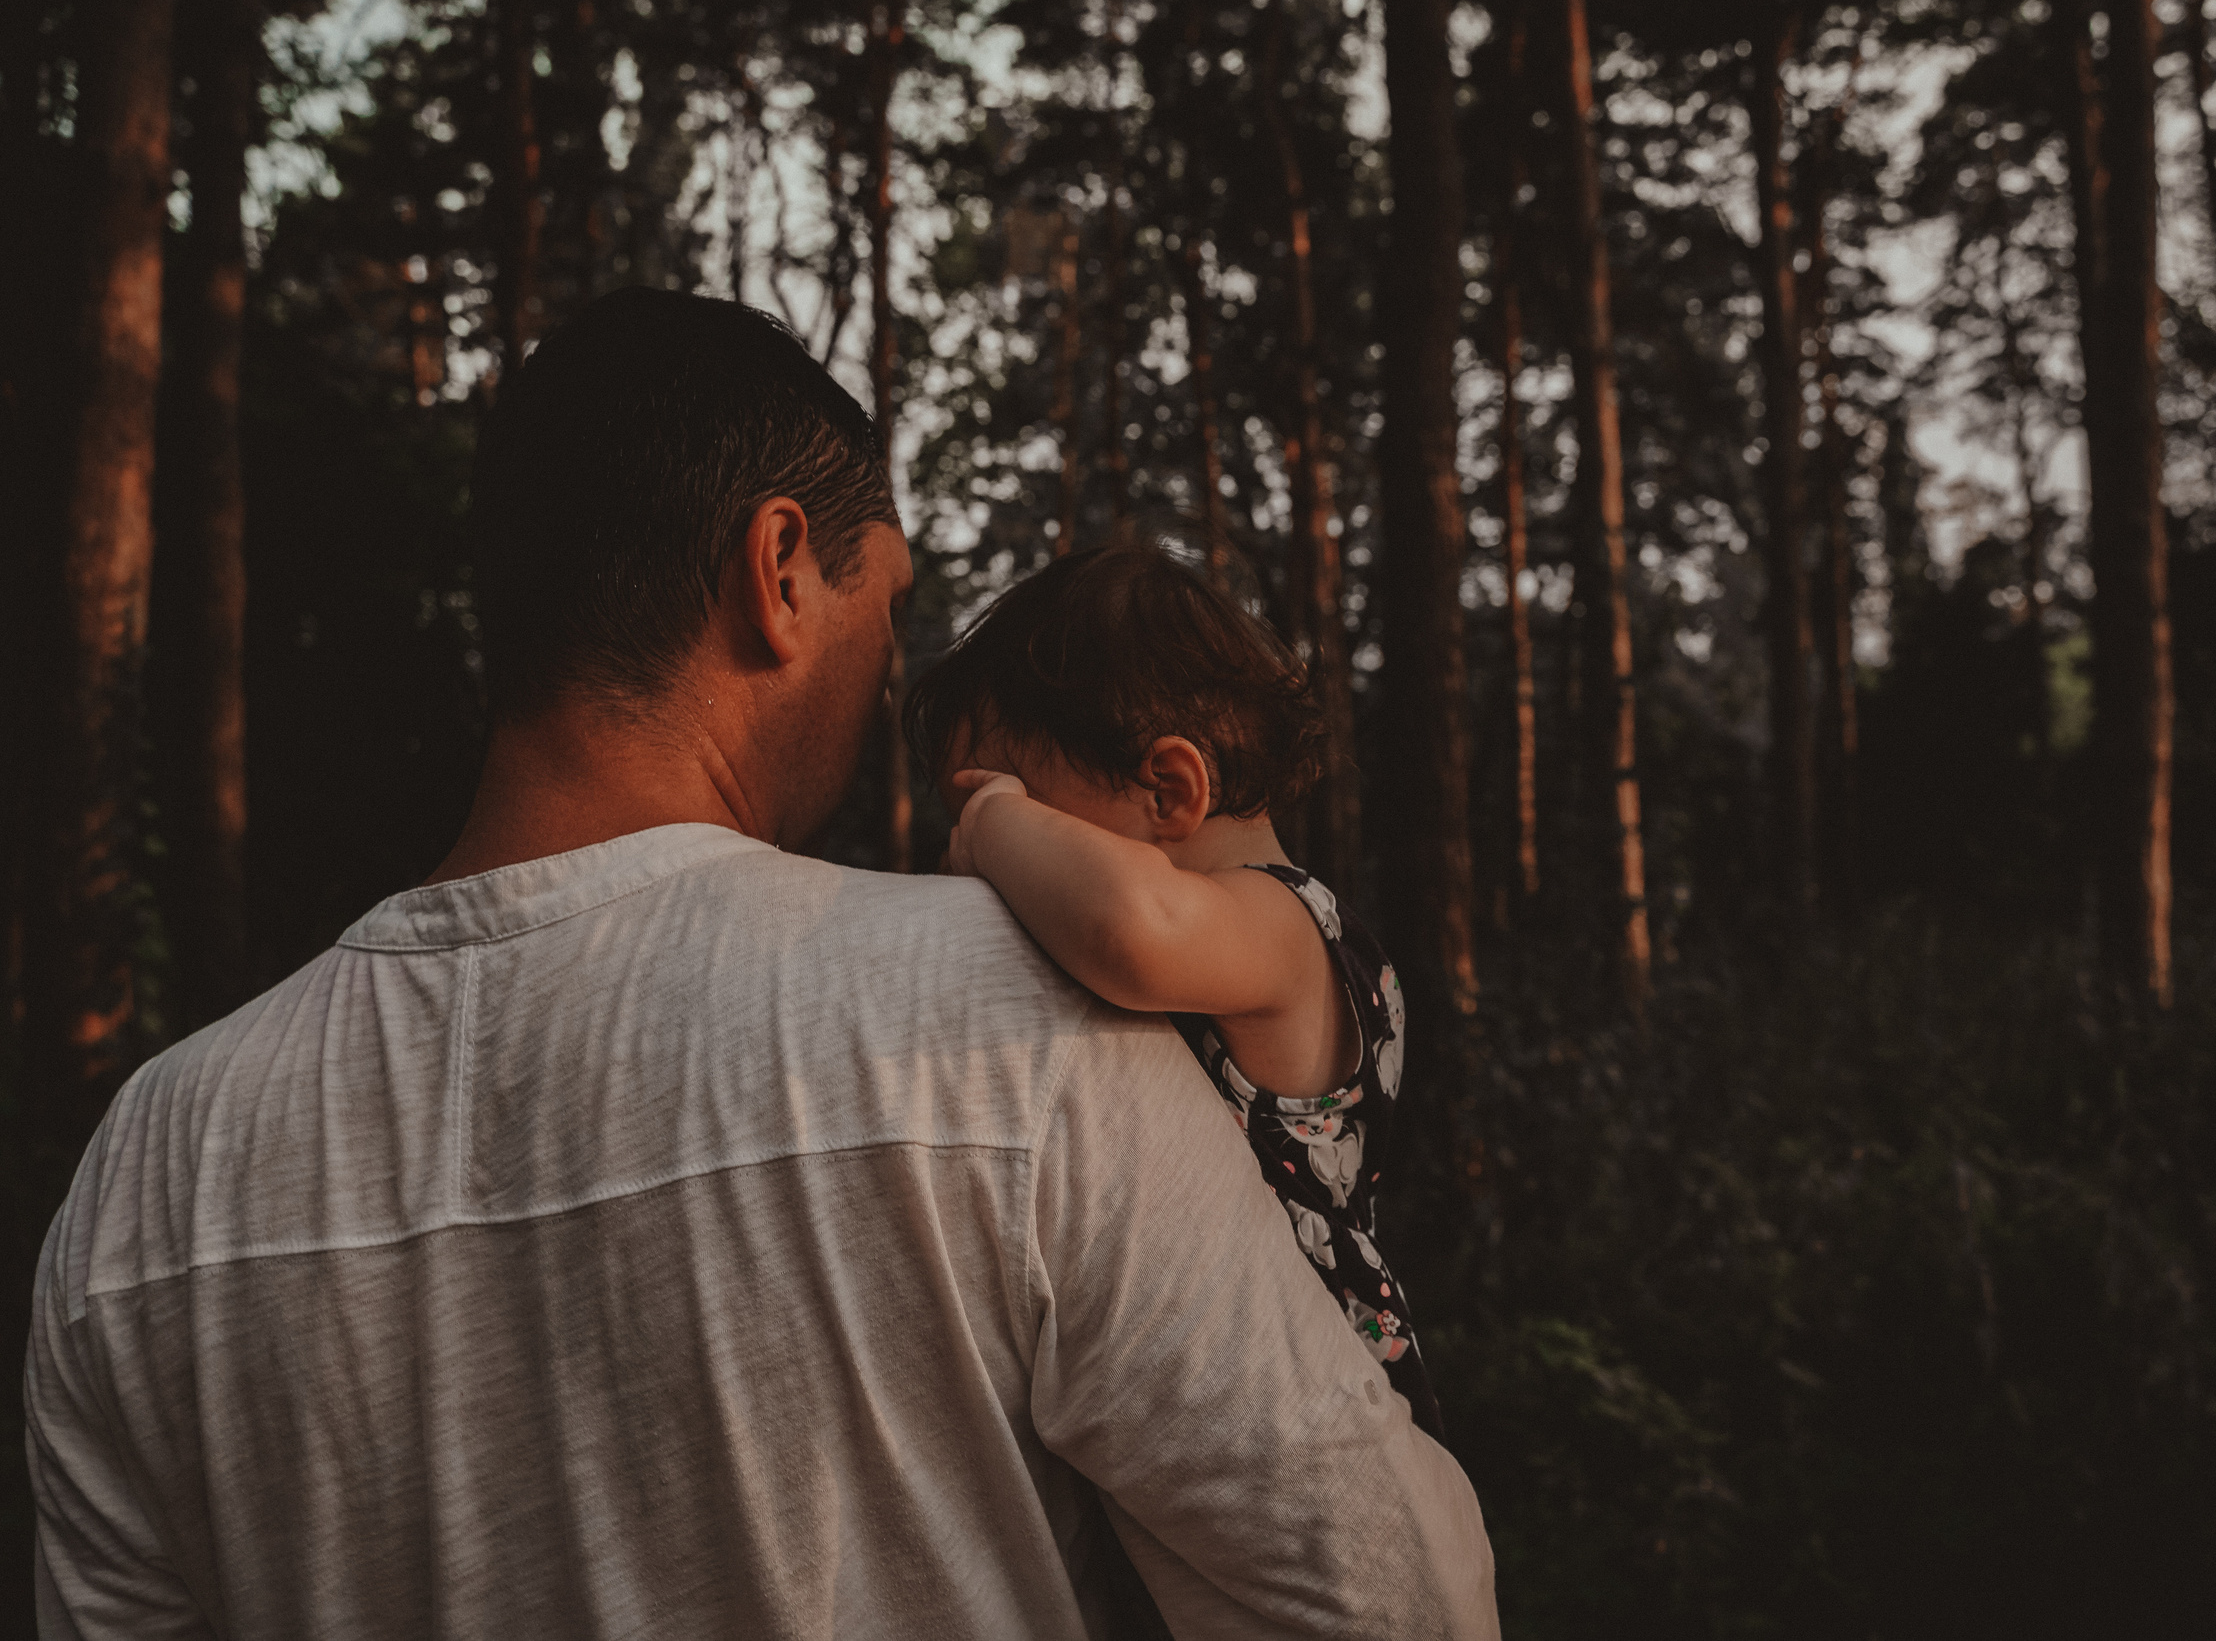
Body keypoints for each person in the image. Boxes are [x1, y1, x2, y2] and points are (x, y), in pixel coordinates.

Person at [23, 288, 1496, 1639]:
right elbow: (1390, 1600)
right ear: (779, 571)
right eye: (889, 604)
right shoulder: (1006, 1014)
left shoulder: (150, 1167)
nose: (892, 665)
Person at [905, 545, 1443, 1439]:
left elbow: (1132, 924)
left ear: (1168, 790)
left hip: (1319, 1400)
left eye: (1017, 802)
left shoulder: (1284, 926)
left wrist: (995, 823)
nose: (973, 849)